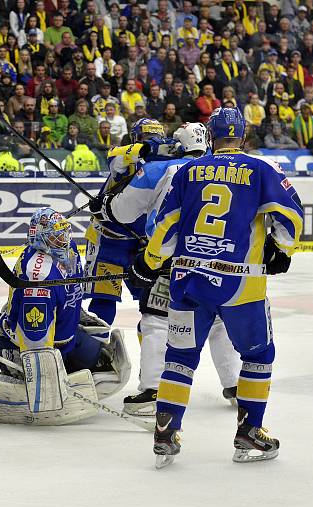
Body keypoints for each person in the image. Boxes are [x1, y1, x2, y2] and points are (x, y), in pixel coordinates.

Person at [130, 107, 304, 467]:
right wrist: (282, 249)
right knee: (258, 355)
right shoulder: (261, 169)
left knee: (179, 356)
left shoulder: (188, 170)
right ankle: (250, 432)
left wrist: (149, 261)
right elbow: (291, 216)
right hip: (241, 283)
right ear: (242, 136)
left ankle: (165, 431)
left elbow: (165, 225)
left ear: (210, 135)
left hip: (189, 279)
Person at [95, 124, 242, 415]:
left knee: (157, 322)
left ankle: (152, 391)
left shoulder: (161, 169)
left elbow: (121, 213)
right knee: (217, 322)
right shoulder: (234, 169)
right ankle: (237, 385)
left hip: (168, 258)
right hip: (219, 259)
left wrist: (108, 203)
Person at [0, 207, 130, 425]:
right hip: (29, 345)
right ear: (41, 240)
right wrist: (44, 378)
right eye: (56, 237)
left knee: (99, 360)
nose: (63, 241)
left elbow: (70, 294)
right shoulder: (38, 281)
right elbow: (35, 339)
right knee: (45, 380)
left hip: (66, 336)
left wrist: (76, 318)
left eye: (64, 233)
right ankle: (13, 371)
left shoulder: (69, 251)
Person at [84, 119, 175, 330]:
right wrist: (148, 148)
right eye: (146, 137)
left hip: (141, 245)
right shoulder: (125, 157)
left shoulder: (167, 167)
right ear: (135, 139)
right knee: (104, 302)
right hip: (108, 242)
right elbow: (115, 156)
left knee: (152, 306)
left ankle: (152, 357)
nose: (153, 140)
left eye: (157, 137)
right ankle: (99, 353)